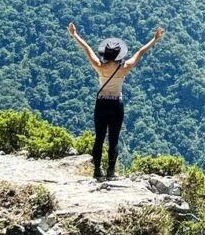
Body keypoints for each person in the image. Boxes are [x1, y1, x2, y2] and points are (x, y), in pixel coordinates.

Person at [67, 21, 164, 180]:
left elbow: (87, 49)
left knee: (99, 137)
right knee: (113, 138)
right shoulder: (124, 68)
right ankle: (111, 170)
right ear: (119, 55)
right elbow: (140, 52)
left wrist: (74, 34)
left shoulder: (99, 66)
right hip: (116, 105)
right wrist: (154, 39)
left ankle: (97, 170)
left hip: (101, 104)